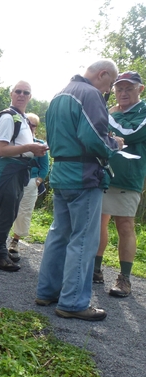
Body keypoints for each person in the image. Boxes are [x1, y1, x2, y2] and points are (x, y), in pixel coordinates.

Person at [35, 59, 123, 321]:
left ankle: (47, 291)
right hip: (83, 176)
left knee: (59, 233)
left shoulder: (59, 94)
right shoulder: (90, 94)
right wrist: (114, 144)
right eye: (109, 86)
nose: (107, 92)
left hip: (61, 173)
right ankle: (73, 302)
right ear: (103, 74)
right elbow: (93, 137)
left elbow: (55, 137)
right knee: (84, 239)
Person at [94, 71, 146, 297]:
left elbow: (131, 133)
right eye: (119, 88)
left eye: (129, 88)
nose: (123, 93)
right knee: (98, 222)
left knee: (125, 224)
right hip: (103, 174)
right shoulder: (111, 111)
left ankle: (124, 278)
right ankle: (95, 270)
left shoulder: (142, 111)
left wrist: (109, 115)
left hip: (129, 177)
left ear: (140, 89)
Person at [0, 82, 49, 271]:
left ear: (30, 97)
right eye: (18, 91)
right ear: (11, 94)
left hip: (20, 169)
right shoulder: (9, 117)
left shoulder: (22, 119)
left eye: (26, 92)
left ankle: (0, 251)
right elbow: (1, 149)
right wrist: (30, 148)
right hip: (9, 169)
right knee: (5, 212)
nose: (22, 95)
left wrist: (34, 152)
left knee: (11, 212)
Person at [9, 113, 50, 254]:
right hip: (13, 178)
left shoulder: (41, 145)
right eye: (29, 124)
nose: (31, 127)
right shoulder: (13, 142)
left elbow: (45, 167)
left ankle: (15, 240)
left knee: (24, 211)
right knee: (4, 206)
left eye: (34, 125)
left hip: (31, 181)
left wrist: (37, 181)